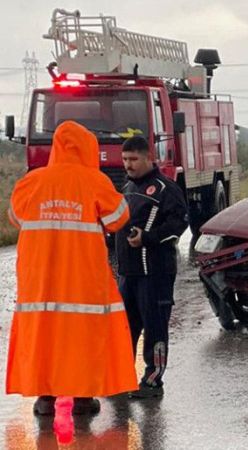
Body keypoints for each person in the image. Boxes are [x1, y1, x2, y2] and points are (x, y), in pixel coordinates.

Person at [6, 121, 138, 416]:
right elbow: (118, 217)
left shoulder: (32, 181)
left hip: (39, 276)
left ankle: (45, 397)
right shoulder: (94, 181)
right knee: (82, 333)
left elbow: (15, 216)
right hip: (82, 276)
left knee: (43, 333)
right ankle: (82, 398)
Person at [115, 136, 188, 398]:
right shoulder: (126, 188)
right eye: (125, 160)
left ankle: (153, 380)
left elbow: (179, 224)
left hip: (155, 272)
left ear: (149, 158)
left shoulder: (165, 189)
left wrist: (148, 238)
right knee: (125, 328)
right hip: (128, 273)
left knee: (155, 326)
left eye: (134, 159)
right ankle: (122, 379)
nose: (128, 165)